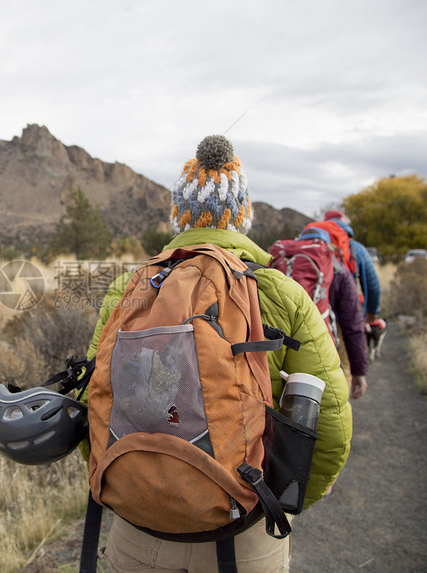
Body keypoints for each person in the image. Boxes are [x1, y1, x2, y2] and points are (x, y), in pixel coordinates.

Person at [84, 135, 353, 572]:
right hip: (243, 529)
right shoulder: (279, 290)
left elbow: (92, 401)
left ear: (179, 215)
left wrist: (128, 483)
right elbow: (331, 424)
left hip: (139, 531)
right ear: (242, 216)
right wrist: (281, 498)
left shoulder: (127, 288)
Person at [296, 228, 369, 400]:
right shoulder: (340, 271)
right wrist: (359, 371)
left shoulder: (287, 265)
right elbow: (353, 325)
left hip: (291, 344)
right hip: (330, 345)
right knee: (335, 398)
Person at [323, 210, 382, 323]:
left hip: (315, 316)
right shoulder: (355, 247)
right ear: (343, 222)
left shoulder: (311, 247)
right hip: (345, 315)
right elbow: (372, 285)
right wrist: (372, 313)